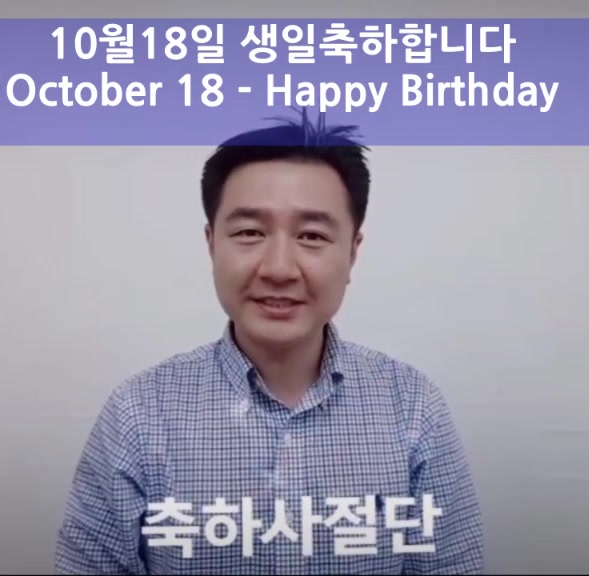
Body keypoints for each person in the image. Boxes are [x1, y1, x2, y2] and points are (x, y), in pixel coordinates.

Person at [54, 115, 485, 575]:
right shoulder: (138, 413)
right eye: (249, 232)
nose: (279, 268)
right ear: (211, 244)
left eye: (312, 236)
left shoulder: (412, 405)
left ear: (352, 252)